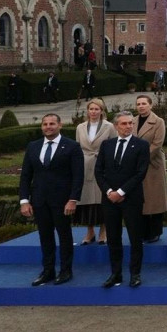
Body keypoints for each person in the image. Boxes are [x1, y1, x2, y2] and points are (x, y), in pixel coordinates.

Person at [18, 113, 83, 286]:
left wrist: (73, 199)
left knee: (64, 236)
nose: (48, 127)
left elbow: (78, 176)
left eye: (52, 123)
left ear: (60, 125)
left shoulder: (72, 146)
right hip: (39, 200)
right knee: (45, 236)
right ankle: (48, 271)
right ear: (42, 127)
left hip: (62, 201)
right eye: (45, 124)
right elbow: (25, 176)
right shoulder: (33, 146)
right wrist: (24, 200)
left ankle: (66, 270)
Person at [94, 112, 151, 288]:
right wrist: (110, 191)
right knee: (113, 238)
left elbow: (141, 172)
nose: (128, 126)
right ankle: (116, 274)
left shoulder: (141, 145)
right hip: (109, 199)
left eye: (130, 123)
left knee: (135, 238)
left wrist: (121, 191)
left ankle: (135, 274)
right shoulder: (107, 145)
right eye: (124, 124)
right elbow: (98, 171)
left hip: (131, 198)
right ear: (116, 126)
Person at [74, 99, 114, 246]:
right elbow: (77, 147)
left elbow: (113, 145)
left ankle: (103, 231)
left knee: (102, 199)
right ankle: (89, 231)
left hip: (102, 165)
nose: (94, 112)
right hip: (84, 165)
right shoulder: (80, 127)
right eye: (91, 109)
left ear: (102, 111)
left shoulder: (109, 126)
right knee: (85, 200)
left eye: (97, 109)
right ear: (87, 111)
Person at [133, 95, 167, 243]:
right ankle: (142, 231)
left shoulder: (158, 122)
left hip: (153, 165)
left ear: (150, 105)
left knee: (155, 200)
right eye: (138, 104)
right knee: (141, 200)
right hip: (135, 166)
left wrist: (141, 159)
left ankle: (155, 231)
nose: (141, 106)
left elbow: (157, 144)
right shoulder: (132, 121)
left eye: (144, 103)